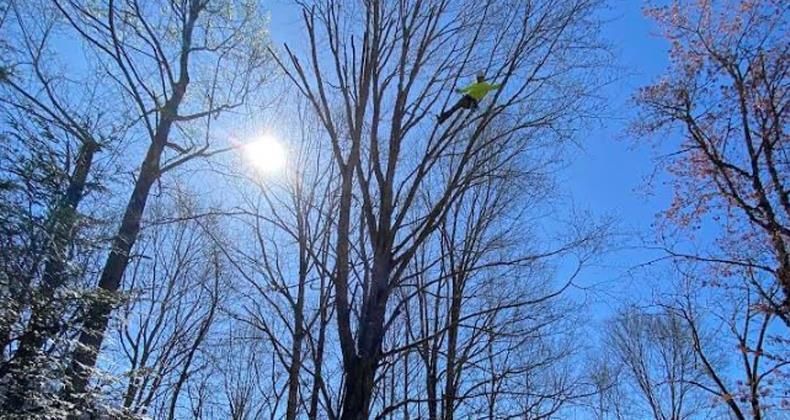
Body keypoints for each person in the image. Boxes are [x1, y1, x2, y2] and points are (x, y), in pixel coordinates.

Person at [437, 73, 501, 124]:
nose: (478, 79)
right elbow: (467, 89)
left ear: (482, 78)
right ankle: (442, 118)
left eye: (480, 78)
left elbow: (492, 87)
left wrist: (499, 85)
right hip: (466, 98)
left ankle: (443, 118)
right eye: (478, 78)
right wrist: (460, 91)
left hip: (471, 101)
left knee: (456, 107)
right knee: (454, 108)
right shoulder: (475, 85)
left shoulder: (485, 85)